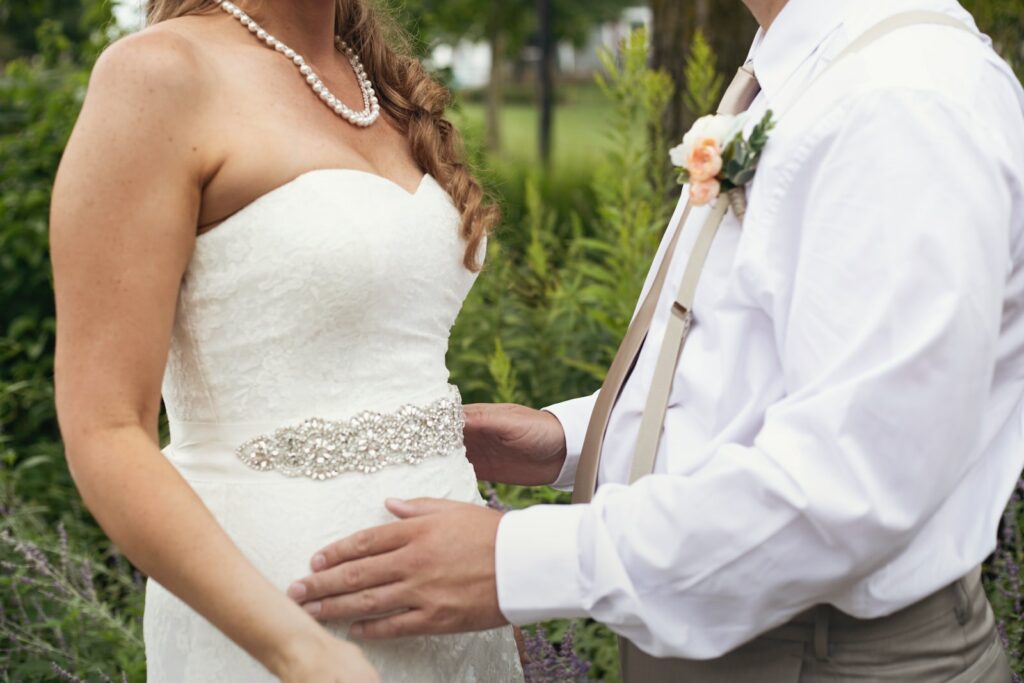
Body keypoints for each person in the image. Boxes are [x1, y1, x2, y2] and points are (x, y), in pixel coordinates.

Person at [290, 0, 1024, 680]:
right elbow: (755, 366)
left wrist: (519, 560)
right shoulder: (806, 69)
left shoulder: (902, 101)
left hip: (826, 655)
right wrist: (575, 440)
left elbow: (851, 484)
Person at [49, 0, 524, 681]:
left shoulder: (381, 85)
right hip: (278, 621)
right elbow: (105, 428)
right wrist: (298, 650)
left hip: (458, 616)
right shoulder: (158, 75)